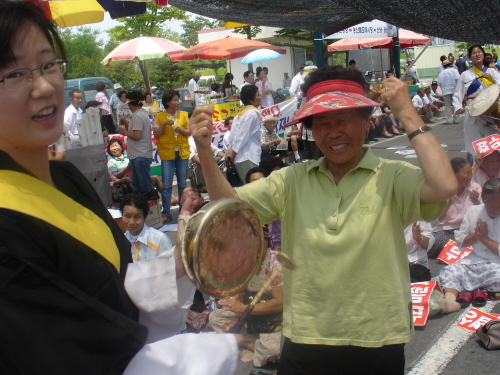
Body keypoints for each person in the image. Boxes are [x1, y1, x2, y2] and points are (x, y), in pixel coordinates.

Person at [0, 2, 239, 374]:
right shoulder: (5, 225)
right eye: (15, 73)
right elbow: (70, 352)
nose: (44, 86)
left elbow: (110, 290)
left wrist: (178, 261)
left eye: (48, 64)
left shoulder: (66, 179)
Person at [189, 65, 456, 375]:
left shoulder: (391, 176)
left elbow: (444, 186)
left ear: (366, 122)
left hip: (377, 336)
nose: (333, 132)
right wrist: (206, 152)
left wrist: (407, 113)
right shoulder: (291, 180)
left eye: (343, 119)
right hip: (306, 336)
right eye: (322, 123)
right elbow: (229, 211)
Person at [438, 178, 500, 313]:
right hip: (474, 261)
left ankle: (475, 290)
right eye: (490, 206)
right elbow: (460, 240)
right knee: (448, 271)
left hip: (496, 265)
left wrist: (484, 239)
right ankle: (450, 301)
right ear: (483, 200)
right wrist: (476, 235)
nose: (494, 210)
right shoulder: (474, 211)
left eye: (498, 206)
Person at [428, 157, 481, 258]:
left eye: (471, 172)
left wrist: (476, 202)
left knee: (481, 239)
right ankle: (459, 251)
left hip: (469, 231)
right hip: (448, 231)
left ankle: (454, 251)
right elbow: (438, 218)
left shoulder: (475, 188)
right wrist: (449, 203)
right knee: (434, 242)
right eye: (466, 173)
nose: (470, 176)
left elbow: (484, 213)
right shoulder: (443, 190)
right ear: (453, 175)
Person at [453, 44, 500, 158]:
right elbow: (458, 93)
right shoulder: (465, 75)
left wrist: (492, 80)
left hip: (490, 111)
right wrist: (458, 107)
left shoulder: (492, 72)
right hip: (472, 110)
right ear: (469, 57)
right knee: (474, 144)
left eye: (479, 52)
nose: (477, 54)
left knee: (492, 142)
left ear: (483, 55)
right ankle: (476, 170)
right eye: (474, 53)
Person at [153, 89, 191, 222]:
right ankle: (166, 212)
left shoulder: (184, 115)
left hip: (182, 151)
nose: (177, 102)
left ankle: (183, 209)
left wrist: (182, 130)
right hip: (167, 153)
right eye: (175, 100)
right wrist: (163, 124)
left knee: (182, 183)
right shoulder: (159, 117)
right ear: (168, 102)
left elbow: (189, 132)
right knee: (167, 184)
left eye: (177, 99)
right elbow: (156, 134)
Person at [118, 91, 155, 195]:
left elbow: (137, 136)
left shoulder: (138, 116)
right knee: (138, 184)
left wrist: (125, 132)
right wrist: (126, 125)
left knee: (143, 185)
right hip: (138, 154)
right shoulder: (141, 114)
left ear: (130, 104)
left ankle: (149, 205)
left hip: (140, 155)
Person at [120, 193, 173, 262]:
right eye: (127, 216)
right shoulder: (122, 240)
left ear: (145, 217)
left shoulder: (159, 239)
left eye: (137, 217)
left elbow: (171, 265)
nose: (131, 222)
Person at [228, 85, 262, 184]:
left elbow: (233, 137)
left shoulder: (240, 114)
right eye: (258, 95)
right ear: (251, 100)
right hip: (248, 156)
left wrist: (232, 153)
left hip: (241, 158)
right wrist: (232, 155)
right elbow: (242, 137)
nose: (260, 96)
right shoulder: (252, 114)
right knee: (254, 189)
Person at [437, 59, 460, 124]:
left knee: (448, 106)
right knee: (455, 104)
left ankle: (449, 120)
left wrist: (443, 89)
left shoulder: (442, 73)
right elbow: (458, 79)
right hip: (454, 89)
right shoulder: (454, 71)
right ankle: (456, 119)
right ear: (450, 64)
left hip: (446, 91)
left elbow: (439, 82)